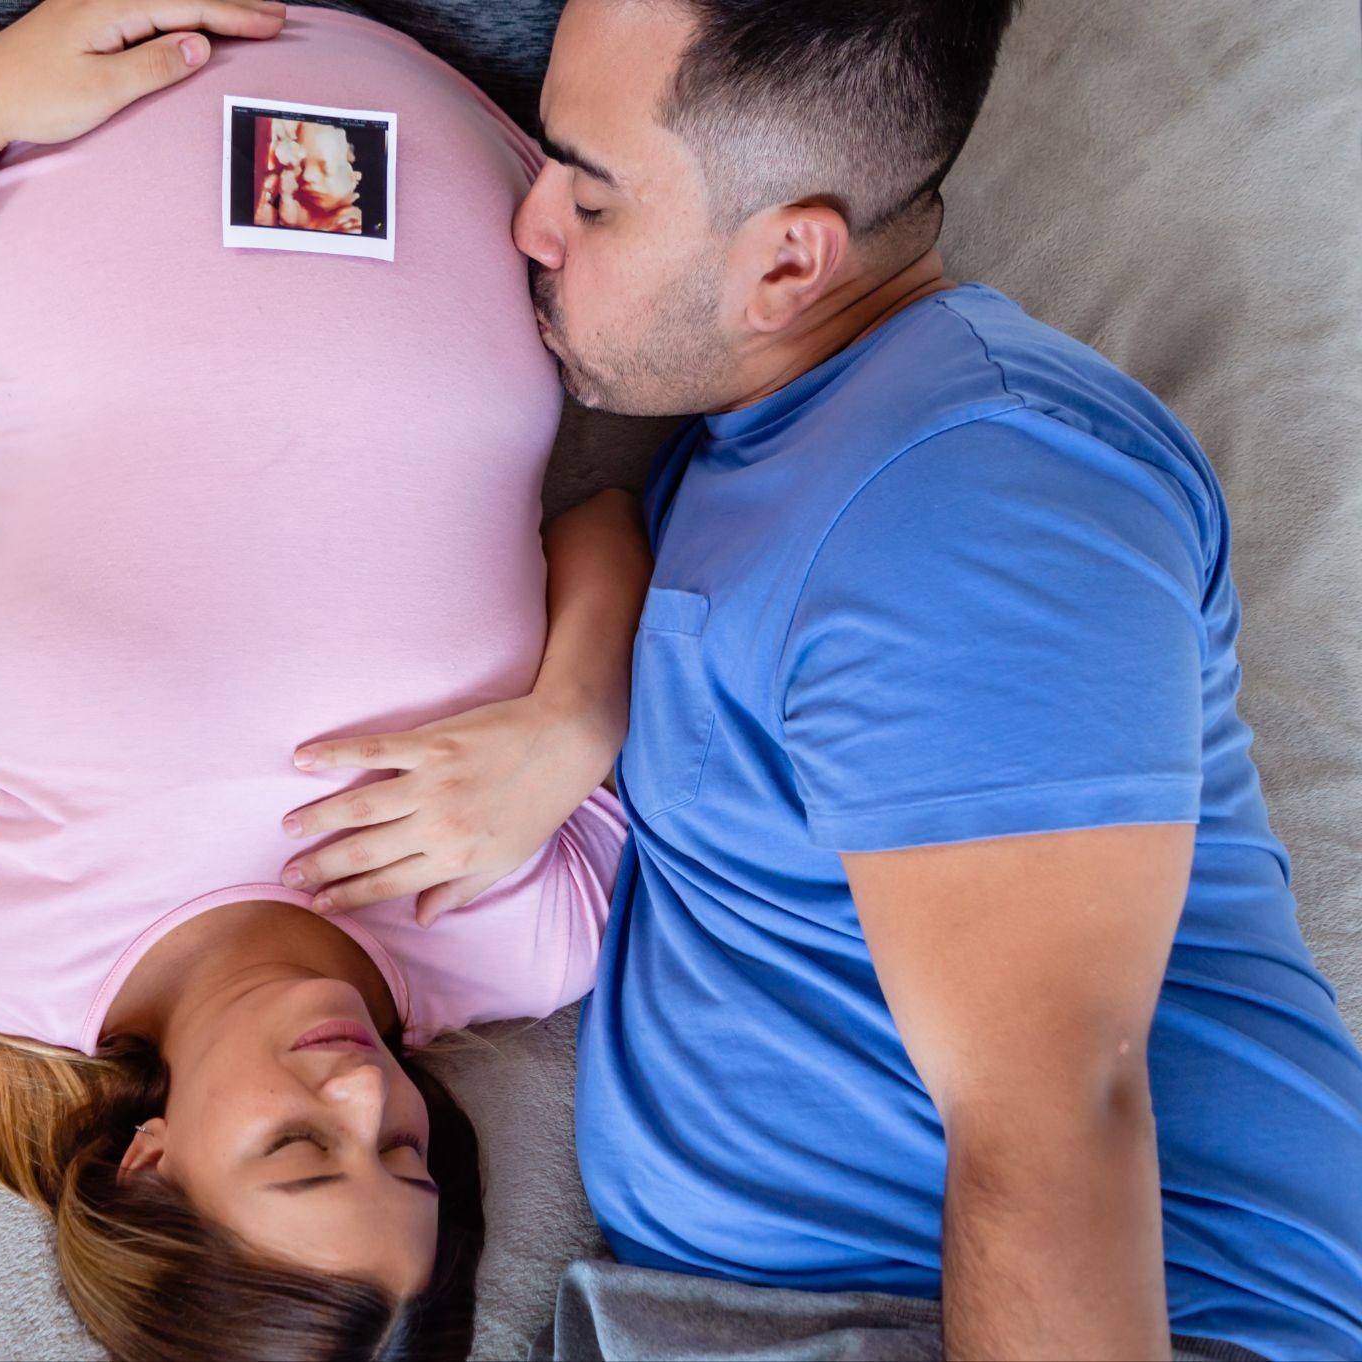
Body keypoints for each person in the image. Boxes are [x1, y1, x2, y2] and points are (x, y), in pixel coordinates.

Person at [443, 0, 1362, 1356]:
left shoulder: (980, 498)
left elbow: (1055, 1127)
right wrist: (581, 698)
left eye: (589, 194)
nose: (527, 224)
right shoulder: (797, 438)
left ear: (787, 259)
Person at [0, 2, 647, 1358]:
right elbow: (603, 522)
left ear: (150, 1162)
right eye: (410, 1154)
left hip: (30, 53)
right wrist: (575, 718)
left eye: (302, 1151)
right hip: (450, 58)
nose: (364, 1095)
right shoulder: (526, 931)